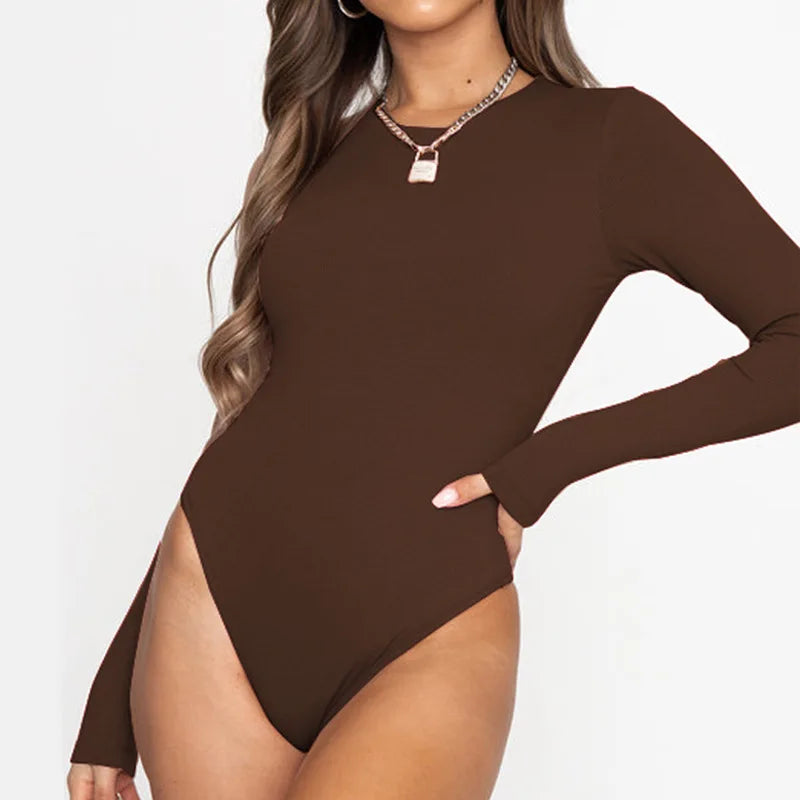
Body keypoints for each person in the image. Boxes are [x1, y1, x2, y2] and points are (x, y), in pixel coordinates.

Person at [67, 1, 800, 798]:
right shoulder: (317, 149)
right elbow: (265, 408)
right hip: (213, 600)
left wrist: (545, 465)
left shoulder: (612, 139)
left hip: (429, 615)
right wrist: (111, 702)